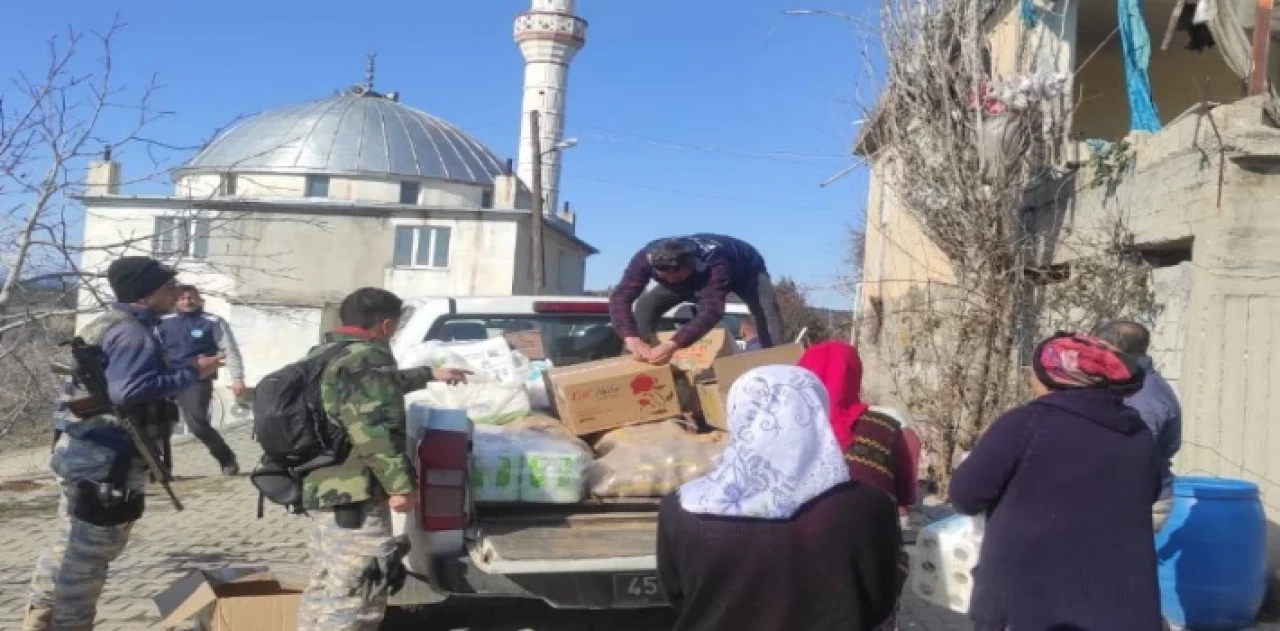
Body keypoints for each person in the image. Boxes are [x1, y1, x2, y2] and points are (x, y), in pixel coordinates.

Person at [23, 256, 223, 631]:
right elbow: (128, 391)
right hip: (106, 458)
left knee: (68, 542)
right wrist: (192, 372)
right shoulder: (133, 332)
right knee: (89, 558)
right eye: (168, 286)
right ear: (146, 294)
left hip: (84, 449)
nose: (176, 292)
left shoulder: (107, 323)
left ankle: (40, 617)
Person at [657, 365, 903, 631]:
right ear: (818, 412)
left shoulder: (684, 507)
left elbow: (677, 595)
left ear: (737, 415)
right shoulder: (868, 506)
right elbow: (880, 599)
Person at [949, 332, 1164, 631]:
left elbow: (965, 495)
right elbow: (1147, 493)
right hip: (1120, 607)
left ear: (1053, 378)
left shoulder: (1024, 424)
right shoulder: (1138, 434)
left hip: (1031, 606)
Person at [296, 287, 469, 631]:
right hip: (354, 494)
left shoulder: (325, 352)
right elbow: (372, 428)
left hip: (319, 484)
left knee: (328, 582)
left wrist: (428, 375)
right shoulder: (368, 358)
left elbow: (370, 391)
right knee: (361, 589)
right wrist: (401, 486)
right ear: (386, 324)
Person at [797, 341, 916, 631]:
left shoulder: (786, 425)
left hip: (798, 559)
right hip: (869, 561)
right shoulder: (886, 427)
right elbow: (904, 497)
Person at [609, 234, 784, 366]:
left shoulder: (714, 262)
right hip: (694, 276)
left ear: (691, 264)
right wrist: (630, 336)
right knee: (647, 305)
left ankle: (774, 363)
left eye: (677, 275)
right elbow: (621, 296)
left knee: (767, 310)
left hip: (746, 271)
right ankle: (632, 361)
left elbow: (712, 310)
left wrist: (673, 344)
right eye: (665, 277)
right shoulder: (644, 258)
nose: (671, 280)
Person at [1094, 320, 1182, 532]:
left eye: (1098, 348)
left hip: (1136, 500)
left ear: (1114, 349)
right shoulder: (1132, 385)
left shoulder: (1143, 397)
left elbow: (1133, 455)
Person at [156, 285, 245, 475]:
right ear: (175, 301)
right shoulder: (162, 322)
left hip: (197, 379)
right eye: (183, 298)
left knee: (197, 422)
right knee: (159, 424)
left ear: (199, 299)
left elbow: (230, 350)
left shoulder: (212, 322)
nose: (188, 301)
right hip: (166, 377)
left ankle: (226, 458)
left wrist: (237, 378)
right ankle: (160, 468)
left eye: (191, 297)